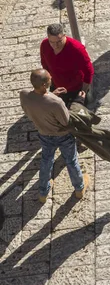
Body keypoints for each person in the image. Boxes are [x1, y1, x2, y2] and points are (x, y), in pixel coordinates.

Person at [20, 69, 89, 203]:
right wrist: (78, 102)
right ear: (45, 85)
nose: (52, 79)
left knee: (46, 160)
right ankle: (79, 189)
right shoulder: (56, 102)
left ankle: (43, 192)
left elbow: (35, 105)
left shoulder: (24, 95)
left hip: (44, 133)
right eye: (49, 79)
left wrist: (49, 94)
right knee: (71, 160)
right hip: (62, 135)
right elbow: (65, 121)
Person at [40, 23, 94, 108]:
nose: (55, 46)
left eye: (59, 41)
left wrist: (83, 91)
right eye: (52, 42)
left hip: (75, 88)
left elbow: (88, 70)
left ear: (64, 36)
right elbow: (44, 63)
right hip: (56, 86)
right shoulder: (44, 45)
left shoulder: (77, 48)